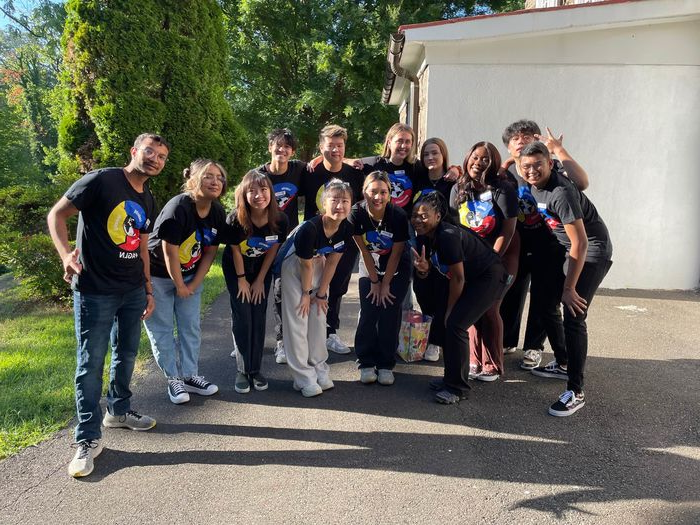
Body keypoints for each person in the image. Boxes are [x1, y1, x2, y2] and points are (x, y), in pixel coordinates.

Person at [47, 133, 167, 478]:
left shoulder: (148, 197)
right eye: (149, 151)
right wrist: (64, 255)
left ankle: (118, 411)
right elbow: (57, 215)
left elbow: (142, 246)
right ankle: (87, 439)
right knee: (91, 363)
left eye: (161, 156)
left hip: (131, 289)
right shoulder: (102, 180)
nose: (155, 159)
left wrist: (147, 288)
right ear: (134, 151)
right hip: (95, 290)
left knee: (127, 354)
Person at [520, 141, 612, 416]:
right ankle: (563, 362)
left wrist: (570, 287)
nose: (533, 170)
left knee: (574, 313)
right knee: (546, 303)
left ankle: (576, 390)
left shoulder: (561, 193)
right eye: (527, 166)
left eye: (538, 164)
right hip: (567, 249)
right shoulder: (535, 183)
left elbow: (581, 243)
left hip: (591, 251)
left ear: (550, 164)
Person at [499, 120, 590, 372]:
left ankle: (534, 348)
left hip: (549, 243)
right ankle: (507, 339)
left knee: (543, 297)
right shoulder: (505, 173)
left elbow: (582, 182)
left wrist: (559, 149)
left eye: (528, 138)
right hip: (518, 242)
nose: (523, 142)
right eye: (517, 140)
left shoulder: (547, 166)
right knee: (513, 290)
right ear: (509, 147)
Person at [411, 192, 510, 404]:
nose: (418, 219)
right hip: (472, 279)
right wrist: (425, 269)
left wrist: (450, 310)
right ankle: (450, 378)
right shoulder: (427, 237)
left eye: (424, 215)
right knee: (446, 322)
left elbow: (458, 277)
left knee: (455, 323)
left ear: (438, 216)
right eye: (415, 215)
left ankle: (457, 388)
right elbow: (438, 270)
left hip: (489, 277)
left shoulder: (447, 235)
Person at [143, 158, 227, 404]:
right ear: (193, 180)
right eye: (208, 176)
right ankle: (173, 379)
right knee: (163, 329)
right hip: (159, 275)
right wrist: (179, 285)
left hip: (190, 275)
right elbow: (169, 250)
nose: (215, 181)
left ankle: (190, 375)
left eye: (219, 177)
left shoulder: (217, 211)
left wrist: (192, 284)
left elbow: (210, 251)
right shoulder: (178, 207)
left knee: (191, 327)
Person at [450, 142, 518, 382]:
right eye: (475, 158)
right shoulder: (459, 188)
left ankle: (493, 363)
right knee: (471, 307)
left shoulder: (504, 189)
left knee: (489, 308)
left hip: (501, 257)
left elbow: (508, 231)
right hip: (470, 259)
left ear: (493, 163)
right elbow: (454, 225)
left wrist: (493, 258)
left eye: (485, 159)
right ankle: (474, 360)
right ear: (468, 158)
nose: (478, 163)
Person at [279, 179, 353, 397]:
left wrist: (320, 293)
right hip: (296, 266)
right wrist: (305, 293)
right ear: (323, 203)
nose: (340, 206)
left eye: (345, 201)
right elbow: (305, 264)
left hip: (318, 263)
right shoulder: (309, 229)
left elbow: (332, 261)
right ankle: (303, 377)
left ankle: (319, 368)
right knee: (297, 322)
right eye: (334, 200)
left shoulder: (346, 227)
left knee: (319, 318)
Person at [222, 170, 289, 394]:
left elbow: (273, 250)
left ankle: (255, 370)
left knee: (258, 315)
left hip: (261, 268)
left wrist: (260, 279)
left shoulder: (280, 219)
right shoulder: (234, 218)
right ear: (243, 194)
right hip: (237, 269)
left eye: (263, 190)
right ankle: (242, 370)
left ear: (270, 192)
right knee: (243, 314)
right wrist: (242, 280)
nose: (258, 195)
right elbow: (235, 252)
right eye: (252, 191)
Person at [301, 124, 363, 355]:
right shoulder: (309, 172)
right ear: (321, 147)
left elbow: (381, 164)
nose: (335, 150)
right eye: (330, 145)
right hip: (314, 240)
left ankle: (330, 332)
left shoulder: (355, 173)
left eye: (340, 145)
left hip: (343, 238)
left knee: (336, 286)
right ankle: (304, 333)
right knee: (309, 286)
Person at [349, 171, 410, 385]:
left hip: (397, 268)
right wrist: (374, 281)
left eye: (383, 192)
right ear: (364, 191)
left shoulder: (399, 216)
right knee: (369, 311)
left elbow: (397, 253)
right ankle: (365, 362)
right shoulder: (356, 213)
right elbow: (363, 250)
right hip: (370, 266)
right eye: (373, 191)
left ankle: (385, 363)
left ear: (390, 193)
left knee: (390, 313)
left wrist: (386, 284)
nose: (378, 197)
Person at [258, 129, 307, 364]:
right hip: (260, 241)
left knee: (280, 291)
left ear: (292, 152)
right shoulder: (258, 174)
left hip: (287, 242)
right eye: (277, 145)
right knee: (255, 290)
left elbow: (323, 164)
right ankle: (246, 340)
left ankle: (281, 341)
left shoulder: (298, 170)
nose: (282, 150)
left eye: (287, 147)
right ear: (269, 148)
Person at [413, 137, 455, 362]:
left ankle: (436, 341)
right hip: (419, 244)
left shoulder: (452, 181)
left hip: (444, 244)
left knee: (442, 292)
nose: (431, 158)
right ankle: (427, 334)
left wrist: (456, 169)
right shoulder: (417, 178)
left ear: (443, 156)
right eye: (426, 154)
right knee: (422, 289)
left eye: (435, 153)